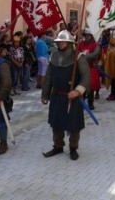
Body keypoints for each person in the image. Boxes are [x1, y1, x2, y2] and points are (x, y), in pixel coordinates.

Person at [41, 30, 90, 160]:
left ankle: (73, 148)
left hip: (72, 97)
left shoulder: (78, 57)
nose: (61, 43)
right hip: (57, 95)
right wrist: (45, 94)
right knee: (56, 122)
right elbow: (49, 77)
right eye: (59, 42)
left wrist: (77, 91)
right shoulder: (54, 56)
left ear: (69, 43)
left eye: (64, 41)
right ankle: (58, 146)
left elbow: (86, 77)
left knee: (73, 124)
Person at [78, 28, 101, 110]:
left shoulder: (96, 45)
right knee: (82, 86)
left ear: (91, 36)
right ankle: (82, 101)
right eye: (84, 35)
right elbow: (76, 52)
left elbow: (95, 54)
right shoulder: (80, 44)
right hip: (82, 68)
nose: (86, 37)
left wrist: (83, 57)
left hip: (91, 68)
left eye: (87, 35)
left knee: (91, 87)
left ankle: (90, 102)